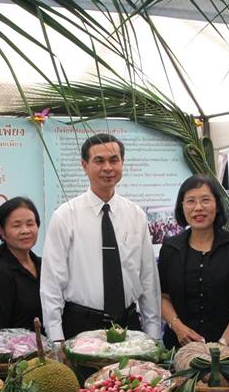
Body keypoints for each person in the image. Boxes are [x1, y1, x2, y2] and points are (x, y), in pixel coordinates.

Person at [40, 133, 161, 342]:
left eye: (114, 160)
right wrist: (57, 340)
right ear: (84, 166)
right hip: (81, 327)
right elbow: (52, 284)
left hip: (128, 326)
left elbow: (148, 280)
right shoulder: (66, 215)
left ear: (122, 163)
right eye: (99, 161)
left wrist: (153, 335)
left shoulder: (136, 215)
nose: (107, 167)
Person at [158, 175, 229, 349]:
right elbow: (163, 297)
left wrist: (223, 344)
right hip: (180, 348)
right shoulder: (170, 248)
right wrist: (178, 327)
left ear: (217, 205)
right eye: (190, 201)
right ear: (182, 206)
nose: (198, 208)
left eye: (205, 200)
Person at [0, 197, 42, 330]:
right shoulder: (1, 273)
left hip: (47, 348)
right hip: (18, 349)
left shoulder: (42, 265)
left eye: (30, 224)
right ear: (2, 231)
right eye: (16, 225)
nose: (25, 231)